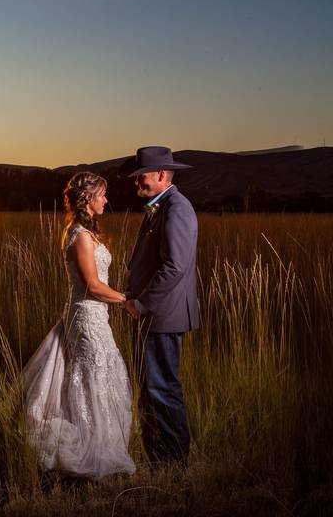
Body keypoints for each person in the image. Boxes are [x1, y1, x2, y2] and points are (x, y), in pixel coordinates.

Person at [22, 172, 136, 480]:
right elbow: (92, 286)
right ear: (87, 199)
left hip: (94, 316)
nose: (106, 200)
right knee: (93, 377)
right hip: (86, 317)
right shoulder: (80, 236)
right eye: (102, 195)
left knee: (97, 375)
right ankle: (93, 450)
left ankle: (100, 442)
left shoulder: (84, 232)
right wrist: (126, 300)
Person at [122, 146, 200, 467]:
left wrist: (142, 303)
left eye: (141, 176)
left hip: (162, 315)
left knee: (163, 388)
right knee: (154, 387)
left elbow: (174, 266)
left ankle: (175, 464)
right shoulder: (160, 206)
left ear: (161, 175)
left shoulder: (177, 208)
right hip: (154, 316)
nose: (136, 182)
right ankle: (161, 459)